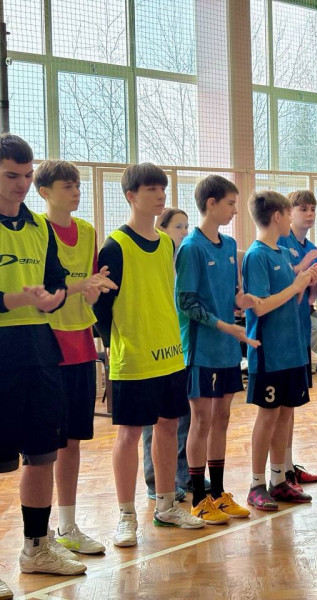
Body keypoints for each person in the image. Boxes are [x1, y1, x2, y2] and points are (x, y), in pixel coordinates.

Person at [94, 163, 206, 548]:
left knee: (167, 427)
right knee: (128, 435)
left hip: (170, 354)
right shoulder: (115, 246)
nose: (160, 195)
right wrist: (119, 343)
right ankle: (126, 516)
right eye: (151, 189)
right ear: (131, 196)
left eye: (163, 188)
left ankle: (167, 505)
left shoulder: (166, 243)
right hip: (133, 358)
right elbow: (101, 307)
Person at [0, 135, 84, 587]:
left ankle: (36, 549)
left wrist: (54, 298)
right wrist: (11, 299)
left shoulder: (38, 227)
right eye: (11, 175)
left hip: (39, 351)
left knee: (42, 454)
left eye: (27, 175)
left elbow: (54, 283)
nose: (21, 184)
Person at [36, 160, 116, 556]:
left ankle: (67, 525)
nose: (76, 192)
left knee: (72, 441)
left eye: (77, 185)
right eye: (67, 186)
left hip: (82, 344)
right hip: (46, 346)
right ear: (45, 192)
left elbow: (89, 287)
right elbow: (42, 288)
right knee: (41, 449)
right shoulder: (36, 230)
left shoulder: (87, 231)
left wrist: (94, 291)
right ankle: (38, 533)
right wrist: (80, 284)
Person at [176, 175, 258, 524]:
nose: (235, 210)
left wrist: (242, 301)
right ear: (211, 203)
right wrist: (225, 326)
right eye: (230, 203)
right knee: (202, 420)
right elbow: (186, 302)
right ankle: (198, 498)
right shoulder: (191, 248)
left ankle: (219, 493)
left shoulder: (230, 246)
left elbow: (231, 295)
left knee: (222, 418)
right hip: (202, 350)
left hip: (227, 348)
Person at [242, 191, 317, 510]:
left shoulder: (280, 252)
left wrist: (305, 280)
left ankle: (278, 480)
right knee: (268, 415)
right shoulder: (257, 255)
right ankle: (256, 484)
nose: (291, 218)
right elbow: (260, 307)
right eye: (289, 212)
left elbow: (293, 295)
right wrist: (295, 285)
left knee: (285, 413)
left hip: (291, 349)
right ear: (278, 216)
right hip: (269, 351)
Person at [142, 206, 193, 502]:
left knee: (181, 421)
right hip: (154, 352)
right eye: (178, 227)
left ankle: (181, 476)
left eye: (186, 227)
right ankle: (155, 482)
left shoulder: (181, 263)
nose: (184, 232)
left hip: (180, 349)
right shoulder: (155, 262)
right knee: (155, 423)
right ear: (162, 229)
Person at [277, 190, 317, 488]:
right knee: (279, 408)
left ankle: (287, 464)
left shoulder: (313, 248)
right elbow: (281, 286)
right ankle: (278, 471)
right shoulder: (281, 242)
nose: (309, 214)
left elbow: (311, 297)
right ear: (289, 213)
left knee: (291, 405)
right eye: (302, 209)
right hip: (282, 332)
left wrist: (315, 281)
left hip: (300, 330)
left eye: (312, 209)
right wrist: (302, 268)